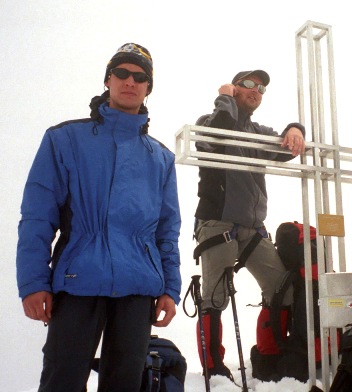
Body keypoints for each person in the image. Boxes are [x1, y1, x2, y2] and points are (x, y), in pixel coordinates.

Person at [16, 43, 182, 392]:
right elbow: (37, 217)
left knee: (124, 384)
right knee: (62, 380)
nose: (129, 81)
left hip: (138, 289)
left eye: (140, 77)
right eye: (121, 72)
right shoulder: (64, 139)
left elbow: (167, 230)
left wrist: (170, 288)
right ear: (107, 79)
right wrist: (33, 283)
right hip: (78, 281)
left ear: (148, 88)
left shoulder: (161, 159)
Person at [193, 69, 305, 378]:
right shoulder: (209, 120)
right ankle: (214, 370)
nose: (256, 90)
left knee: (282, 288)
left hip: (252, 228)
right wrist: (225, 99)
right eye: (248, 85)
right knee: (215, 297)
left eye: (262, 88)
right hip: (217, 224)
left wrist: (296, 128)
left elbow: (285, 152)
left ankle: (272, 358)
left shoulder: (258, 131)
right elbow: (219, 134)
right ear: (234, 88)